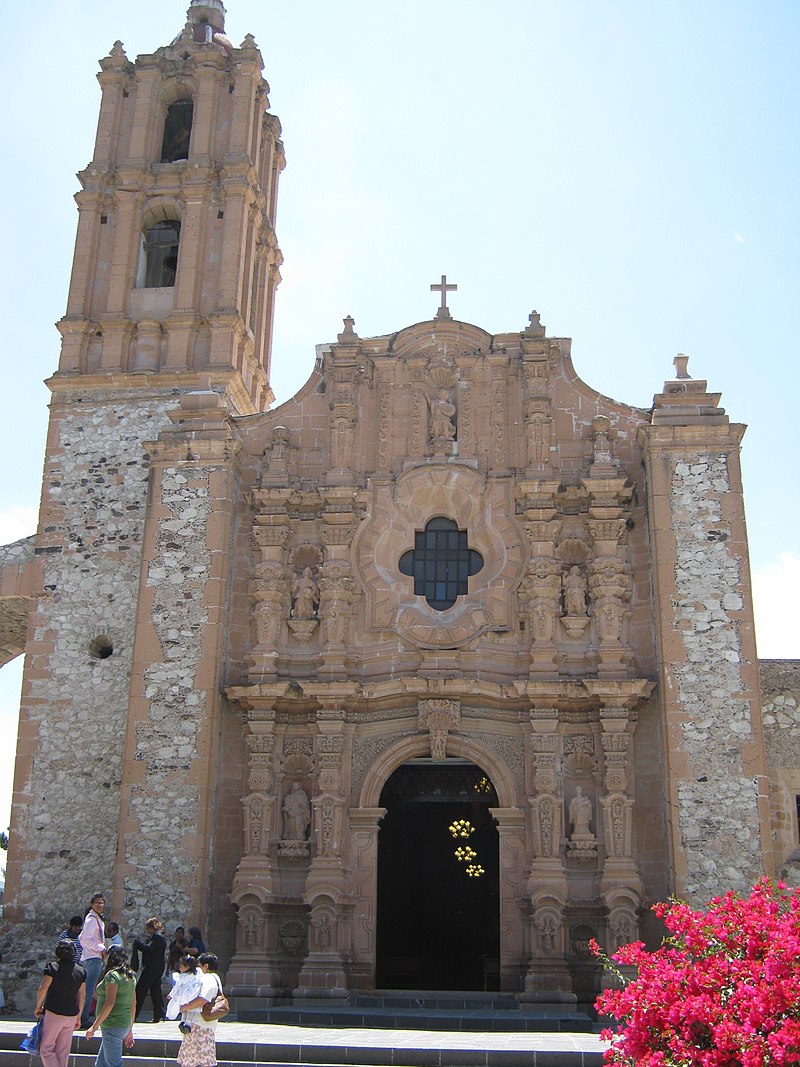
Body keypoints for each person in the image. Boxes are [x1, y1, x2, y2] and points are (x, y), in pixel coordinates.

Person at [34, 941, 86, 1067]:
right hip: (71, 1015)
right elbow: (82, 995)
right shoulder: (81, 971)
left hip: (54, 1012)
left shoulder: (52, 968)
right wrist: (79, 1016)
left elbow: (43, 989)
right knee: (63, 1051)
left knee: (46, 1048)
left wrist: (38, 1006)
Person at [85, 946, 136, 1067]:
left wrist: (94, 1027)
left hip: (112, 1025)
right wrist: (130, 1029)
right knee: (101, 1064)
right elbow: (133, 1004)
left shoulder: (112, 976)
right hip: (123, 1025)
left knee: (114, 1064)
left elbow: (110, 1003)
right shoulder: (130, 976)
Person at [177, 953, 224, 1067]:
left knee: (197, 1061)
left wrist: (185, 1007)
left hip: (199, 1025)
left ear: (206, 966)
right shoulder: (216, 978)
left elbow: (203, 999)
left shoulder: (207, 978)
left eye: (199, 965)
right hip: (205, 1024)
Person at [78, 893, 106, 1030]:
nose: (100, 905)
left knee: (88, 989)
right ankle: (83, 1019)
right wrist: (101, 948)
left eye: (102, 903)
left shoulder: (96, 919)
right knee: (88, 990)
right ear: (91, 904)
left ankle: (83, 1017)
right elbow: (85, 939)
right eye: (97, 903)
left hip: (93, 957)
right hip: (92, 957)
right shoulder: (91, 920)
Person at [132, 917, 167, 1022]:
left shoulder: (157, 937)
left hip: (152, 968)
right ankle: (159, 1014)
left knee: (140, 989)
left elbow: (148, 949)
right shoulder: (157, 937)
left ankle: (134, 1014)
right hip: (156, 967)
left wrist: (138, 944)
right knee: (155, 990)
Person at [166, 955, 202, 1034]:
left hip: (183, 994)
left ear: (187, 967)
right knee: (190, 1008)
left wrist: (171, 994)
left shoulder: (181, 976)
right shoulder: (196, 974)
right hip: (193, 993)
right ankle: (187, 1022)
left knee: (184, 1008)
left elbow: (176, 986)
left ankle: (183, 1021)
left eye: (181, 966)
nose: (180, 968)